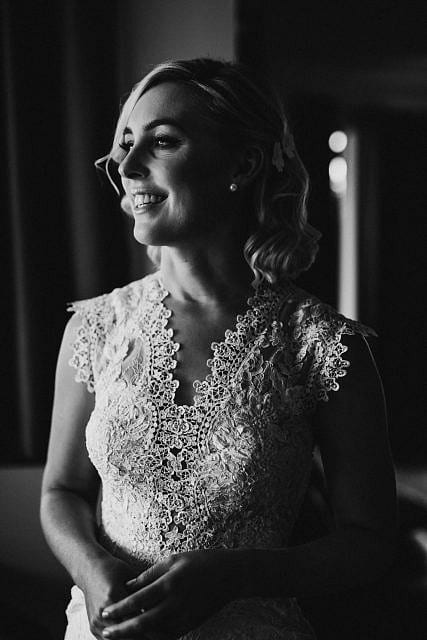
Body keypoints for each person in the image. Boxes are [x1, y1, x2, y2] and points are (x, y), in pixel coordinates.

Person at [40, 58, 397, 640]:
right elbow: (62, 491)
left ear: (244, 162)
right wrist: (91, 569)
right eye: (125, 146)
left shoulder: (324, 346)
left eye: (162, 142)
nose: (128, 168)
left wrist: (236, 575)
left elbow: (371, 540)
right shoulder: (96, 328)